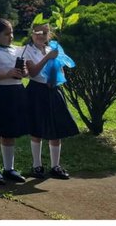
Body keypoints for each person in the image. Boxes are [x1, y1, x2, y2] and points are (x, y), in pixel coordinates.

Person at [22, 19, 78, 179]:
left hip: (53, 90)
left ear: (49, 34)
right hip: (36, 91)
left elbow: (61, 70)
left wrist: (55, 80)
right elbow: (32, 72)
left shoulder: (52, 48)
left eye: (44, 33)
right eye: (37, 32)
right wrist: (47, 58)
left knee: (56, 129)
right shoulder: (28, 50)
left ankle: (55, 166)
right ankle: (37, 165)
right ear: (32, 34)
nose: (40, 36)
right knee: (36, 128)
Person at [0, 17, 28, 184]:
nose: (11, 37)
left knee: (10, 133)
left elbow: (26, 72)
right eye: (6, 34)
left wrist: (23, 72)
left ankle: (9, 168)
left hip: (15, 92)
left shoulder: (16, 50)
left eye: (12, 33)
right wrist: (7, 74)